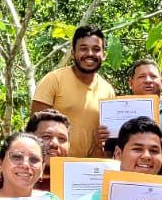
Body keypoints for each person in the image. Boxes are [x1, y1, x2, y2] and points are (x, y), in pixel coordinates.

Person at [31, 25, 114, 157]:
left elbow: (105, 138)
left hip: (86, 169)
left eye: (96, 49)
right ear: (73, 53)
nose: (90, 54)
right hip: (51, 166)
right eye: (83, 49)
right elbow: (33, 129)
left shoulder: (108, 90)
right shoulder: (54, 80)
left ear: (104, 55)